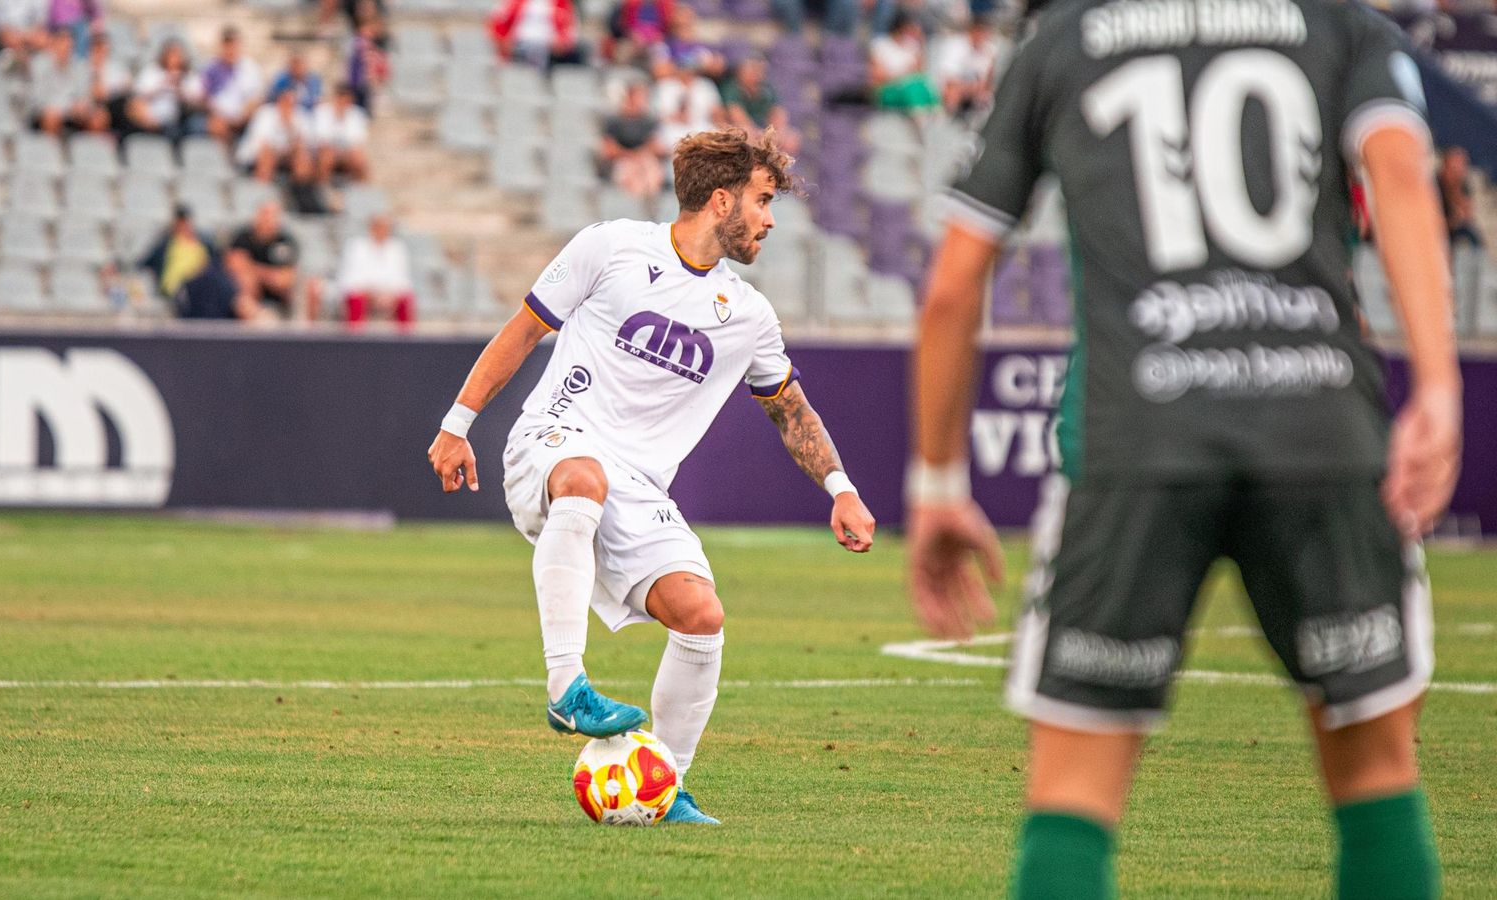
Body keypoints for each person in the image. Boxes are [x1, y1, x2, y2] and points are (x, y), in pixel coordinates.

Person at [907, 1, 1461, 898]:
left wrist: (935, 487)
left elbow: (953, 285)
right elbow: (1400, 172)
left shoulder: (1062, 40)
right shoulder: (1341, 25)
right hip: (1319, 429)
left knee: (1072, 799)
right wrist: (1438, 386)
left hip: (1137, 442)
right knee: (1375, 781)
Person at [428, 127, 876, 826]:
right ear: (721, 201)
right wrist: (457, 425)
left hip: (638, 486)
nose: (770, 218)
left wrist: (841, 488)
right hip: (555, 443)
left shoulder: (749, 316)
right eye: (761, 200)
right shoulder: (610, 248)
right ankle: (566, 686)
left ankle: (666, 785)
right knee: (582, 478)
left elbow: (789, 407)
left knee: (702, 616)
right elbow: (521, 331)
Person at [226, 199, 322, 321]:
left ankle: (307, 333)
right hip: (253, 299)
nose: (269, 219)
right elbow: (234, 266)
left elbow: (285, 279)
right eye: (266, 214)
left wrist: (255, 270)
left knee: (312, 285)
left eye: (274, 215)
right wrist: (269, 276)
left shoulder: (285, 240)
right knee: (245, 281)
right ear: (258, 215)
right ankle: (255, 327)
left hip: (282, 296)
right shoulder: (242, 238)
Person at [337, 213, 412, 326]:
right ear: (371, 228)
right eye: (378, 227)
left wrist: (388, 293)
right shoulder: (357, 247)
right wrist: (372, 293)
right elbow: (352, 277)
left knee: (405, 299)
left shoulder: (396, 248)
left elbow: (401, 278)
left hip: (388, 293)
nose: (382, 231)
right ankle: (355, 339)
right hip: (364, 291)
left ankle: (406, 341)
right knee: (356, 298)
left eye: (385, 228)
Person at [29, 28, 108, 135]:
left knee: (99, 117)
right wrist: (67, 107)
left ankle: (91, 150)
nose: (66, 48)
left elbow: (85, 96)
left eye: (69, 46)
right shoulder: (39, 64)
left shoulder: (79, 66)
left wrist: (82, 106)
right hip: (46, 112)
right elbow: (39, 100)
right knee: (52, 116)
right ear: (53, 44)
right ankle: (50, 150)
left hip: (72, 113)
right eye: (62, 44)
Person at [598, 80, 667, 198]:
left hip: (643, 159)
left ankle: (649, 205)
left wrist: (640, 156)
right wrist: (631, 155)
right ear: (629, 97)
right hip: (621, 161)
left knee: (652, 172)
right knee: (630, 177)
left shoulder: (649, 121)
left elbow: (656, 147)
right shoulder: (614, 120)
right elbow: (608, 150)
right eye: (639, 97)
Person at [236, 85, 315, 185]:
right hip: (257, 154)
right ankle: (261, 188)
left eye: (292, 102)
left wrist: (290, 128)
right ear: (279, 100)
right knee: (267, 155)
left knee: (302, 157)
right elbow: (262, 143)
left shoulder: (300, 115)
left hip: (286, 155)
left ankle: (301, 191)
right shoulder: (265, 113)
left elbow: (304, 143)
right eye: (285, 100)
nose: (288, 105)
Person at [126, 40, 204, 141]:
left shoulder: (189, 75)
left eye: (178, 55)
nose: (175, 59)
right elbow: (138, 95)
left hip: (177, 120)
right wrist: (162, 84)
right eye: (172, 55)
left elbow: (198, 99)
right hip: (151, 118)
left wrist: (180, 90)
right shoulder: (152, 71)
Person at [719, 57, 799, 155]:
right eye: (751, 70)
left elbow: (778, 113)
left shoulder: (767, 88)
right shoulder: (732, 89)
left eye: (758, 70)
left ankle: (780, 167)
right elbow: (737, 116)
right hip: (744, 127)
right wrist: (759, 133)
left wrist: (774, 131)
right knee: (747, 134)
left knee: (791, 138)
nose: (755, 74)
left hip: (765, 127)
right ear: (741, 72)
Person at [139, 204, 217, 300]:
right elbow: (145, 262)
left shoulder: (203, 244)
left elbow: (213, 265)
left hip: (197, 291)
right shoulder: (166, 243)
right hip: (171, 292)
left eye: (185, 222)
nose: (183, 226)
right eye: (180, 222)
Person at [201, 26, 265, 142]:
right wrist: (223, 115)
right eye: (227, 46)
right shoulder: (211, 69)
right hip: (221, 117)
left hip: (246, 117)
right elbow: (205, 97)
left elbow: (257, 97)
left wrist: (243, 116)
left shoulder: (250, 67)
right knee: (215, 125)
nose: (230, 50)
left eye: (233, 45)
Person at [868, 12, 940, 111]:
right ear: (901, 27)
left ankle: (935, 114)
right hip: (888, 90)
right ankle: (920, 115)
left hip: (911, 87)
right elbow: (877, 76)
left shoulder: (912, 46)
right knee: (911, 89)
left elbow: (921, 73)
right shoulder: (880, 45)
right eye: (911, 27)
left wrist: (921, 43)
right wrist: (904, 73)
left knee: (926, 86)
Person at [488, 0, 586, 70]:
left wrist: (562, 43)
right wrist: (504, 44)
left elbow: (570, 29)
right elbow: (498, 24)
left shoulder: (563, 3)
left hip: (551, 51)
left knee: (582, 54)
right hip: (520, 46)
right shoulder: (512, 3)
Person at [653, 55, 722, 150]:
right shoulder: (665, 85)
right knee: (665, 141)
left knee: (713, 137)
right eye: (684, 69)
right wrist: (677, 116)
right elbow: (659, 114)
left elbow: (716, 110)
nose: (687, 72)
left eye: (690, 69)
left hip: (700, 125)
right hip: (672, 127)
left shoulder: (705, 85)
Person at [313, 82, 370, 185]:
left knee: (359, 159)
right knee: (327, 156)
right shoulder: (323, 111)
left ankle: (362, 190)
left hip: (347, 153)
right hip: (328, 151)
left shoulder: (357, 114)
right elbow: (321, 138)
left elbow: (357, 141)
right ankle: (322, 188)